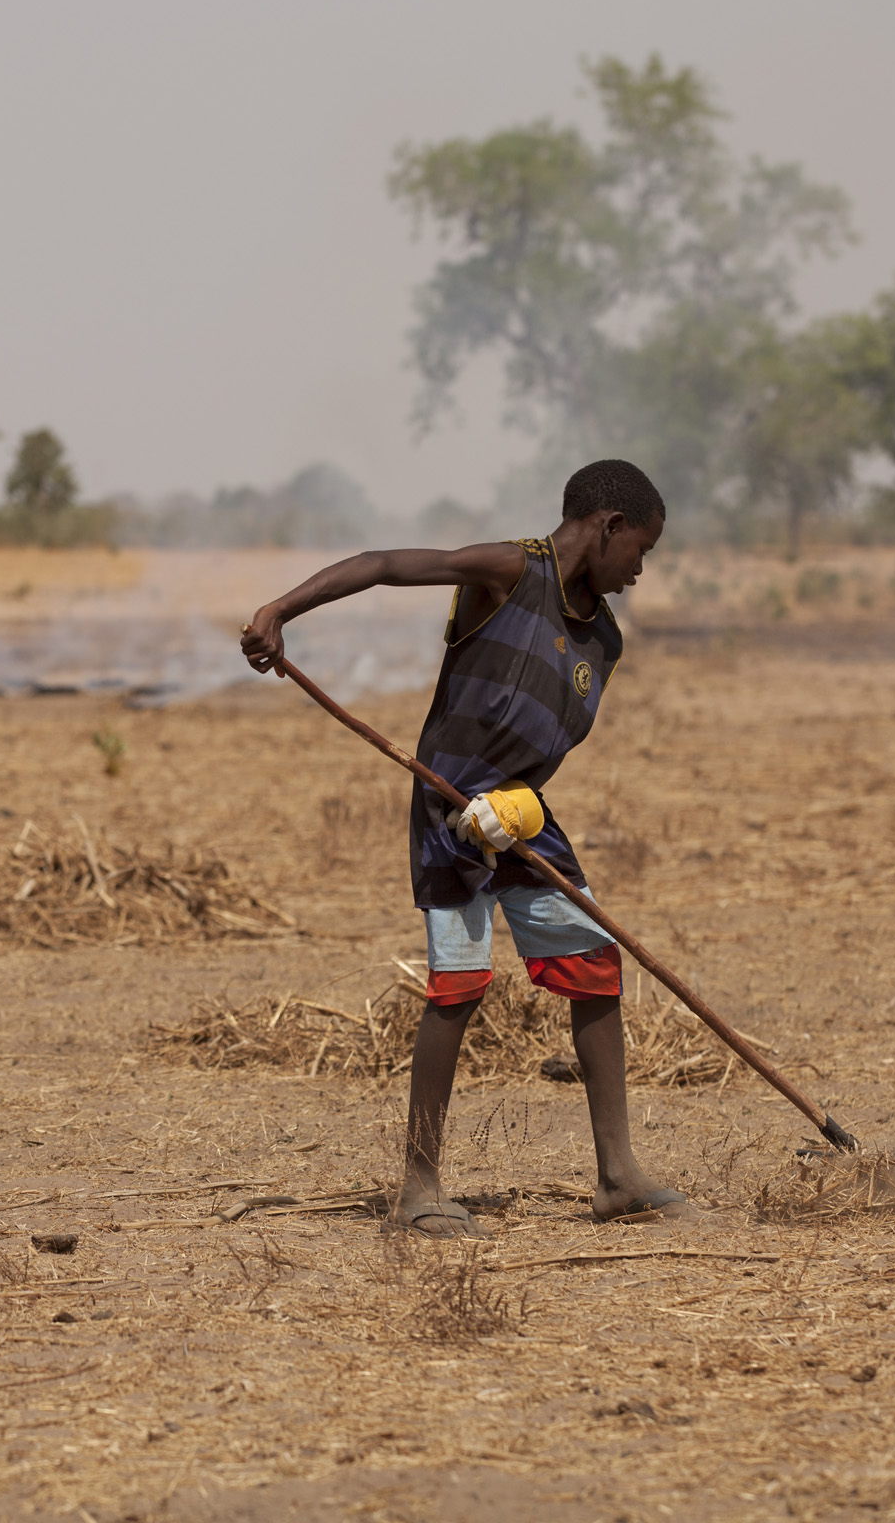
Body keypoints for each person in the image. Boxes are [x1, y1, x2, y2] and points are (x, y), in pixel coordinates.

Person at [238, 458, 683, 1236]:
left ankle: (617, 1175)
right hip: (450, 803)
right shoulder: (510, 573)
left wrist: (515, 811)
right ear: (610, 527)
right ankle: (418, 1185)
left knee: (594, 966)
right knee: (460, 981)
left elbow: (544, 741)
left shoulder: (602, 638)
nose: (640, 571)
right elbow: (383, 566)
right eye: (639, 551)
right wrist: (281, 608)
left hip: (520, 813)